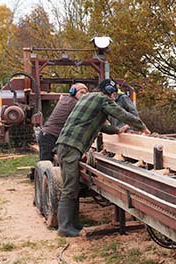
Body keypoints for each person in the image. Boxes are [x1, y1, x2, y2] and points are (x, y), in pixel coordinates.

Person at [55, 79, 151, 237]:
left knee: (73, 187)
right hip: (70, 147)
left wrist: (117, 131)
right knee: (70, 188)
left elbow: (100, 125)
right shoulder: (101, 99)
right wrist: (143, 127)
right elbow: (121, 113)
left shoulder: (87, 98)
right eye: (114, 93)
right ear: (109, 91)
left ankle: (73, 224)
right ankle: (64, 227)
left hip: (68, 146)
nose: (114, 97)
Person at [38, 83, 88, 162]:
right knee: (46, 164)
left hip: (50, 136)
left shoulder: (65, 99)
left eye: (85, 93)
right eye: (81, 92)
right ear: (73, 92)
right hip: (49, 136)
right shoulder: (74, 103)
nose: (84, 95)